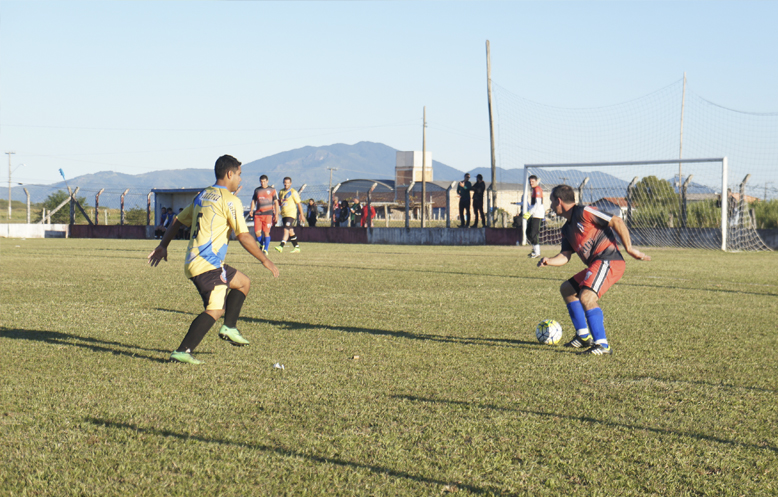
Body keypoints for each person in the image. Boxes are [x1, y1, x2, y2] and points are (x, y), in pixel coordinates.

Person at [147, 155, 279, 364]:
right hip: (207, 264)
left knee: (243, 283)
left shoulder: (204, 195)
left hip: (200, 261)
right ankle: (183, 351)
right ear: (229, 174)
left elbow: (178, 220)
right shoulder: (230, 200)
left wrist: (163, 245)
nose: (240, 179)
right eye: (239, 174)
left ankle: (230, 327)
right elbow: (244, 235)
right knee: (215, 309)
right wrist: (265, 260)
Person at [536, 184, 650, 356]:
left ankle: (602, 345)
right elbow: (565, 256)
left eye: (551, 201)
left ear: (559, 201)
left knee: (587, 296)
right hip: (597, 263)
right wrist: (549, 261)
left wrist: (629, 248)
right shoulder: (566, 228)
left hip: (609, 260)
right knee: (567, 289)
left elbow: (616, 221)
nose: (550, 206)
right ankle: (583, 337)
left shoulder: (585, 212)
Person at [249, 174, 279, 255]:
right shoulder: (257, 190)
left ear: (267, 181)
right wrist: (251, 209)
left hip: (268, 214)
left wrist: (276, 214)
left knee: (266, 232)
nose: (263, 183)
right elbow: (253, 201)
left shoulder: (272, 190)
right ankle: (262, 244)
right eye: (261, 182)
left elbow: (276, 202)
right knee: (257, 233)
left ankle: (266, 249)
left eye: (264, 182)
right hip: (258, 214)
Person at [275, 177, 305, 253]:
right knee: (291, 231)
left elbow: (299, 204)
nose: (286, 184)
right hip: (284, 214)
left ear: (290, 183)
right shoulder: (281, 192)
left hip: (291, 214)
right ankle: (297, 247)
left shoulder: (293, 192)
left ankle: (281, 246)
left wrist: (302, 215)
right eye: (285, 183)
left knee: (286, 229)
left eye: (288, 183)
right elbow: (280, 202)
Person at [522, 175, 545, 258]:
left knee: (533, 233)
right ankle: (534, 250)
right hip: (533, 214)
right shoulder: (534, 190)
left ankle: (537, 252)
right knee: (528, 232)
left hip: (537, 215)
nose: (531, 183)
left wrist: (529, 213)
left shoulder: (538, 189)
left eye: (532, 181)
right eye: (530, 182)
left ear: (536, 181)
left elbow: (537, 204)